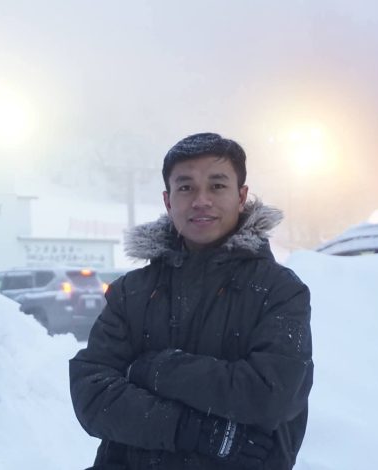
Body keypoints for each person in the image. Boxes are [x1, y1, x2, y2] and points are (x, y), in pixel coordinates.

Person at [69, 132, 313, 470]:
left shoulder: (279, 291)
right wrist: (192, 430)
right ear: (169, 202)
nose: (201, 200)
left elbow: (270, 394)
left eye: (217, 186)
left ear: (241, 196)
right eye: (186, 187)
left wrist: (152, 369)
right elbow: (92, 393)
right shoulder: (131, 292)